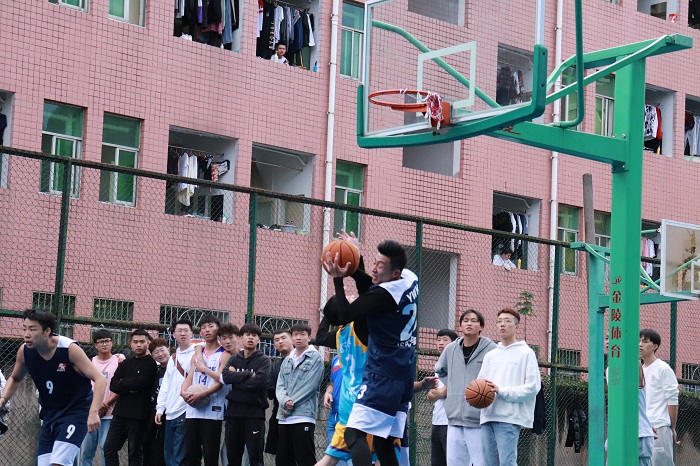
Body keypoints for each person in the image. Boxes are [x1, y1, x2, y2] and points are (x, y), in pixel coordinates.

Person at [323, 233, 419, 466]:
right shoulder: (410, 278)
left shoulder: (384, 295)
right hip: (404, 372)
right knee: (384, 442)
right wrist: (356, 259)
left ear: (394, 273)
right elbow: (371, 288)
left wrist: (338, 279)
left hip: (382, 374)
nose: (375, 269)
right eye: (374, 262)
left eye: (381, 266)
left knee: (353, 434)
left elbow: (346, 314)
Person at [0, 309, 106, 466]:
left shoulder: (69, 349)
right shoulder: (25, 351)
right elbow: (15, 378)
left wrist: (93, 412)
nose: (27, 334)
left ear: (47, 331)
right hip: (50, 416)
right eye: (24, 329)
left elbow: (100, 379)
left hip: (76, 413)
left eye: (32, 329)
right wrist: (3, 399)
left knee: (58, 463)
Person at [477, 308, 540, 466]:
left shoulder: (526, 353)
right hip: (487, 416)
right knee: (489, 464)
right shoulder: (490, 355)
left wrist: (502, 391)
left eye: (507, 321)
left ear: (517, 326)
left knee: (507, 463)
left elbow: (533, 387)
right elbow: (480, 384)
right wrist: (475, 395)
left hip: (509, 417)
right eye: (499, 321)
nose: (502, 324)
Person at [435, 310, 496, 466]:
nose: (469, 323)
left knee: (481, 462)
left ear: (481, 327)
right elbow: (440, 370)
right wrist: (454, 386)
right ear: (461, 325)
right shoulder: (451, 349)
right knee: (454, 462)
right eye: (466, 320)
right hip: (454, 417)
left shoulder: (491, 349)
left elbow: (498, 374)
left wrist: (485, 391)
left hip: (479, 418)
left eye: (474, 321)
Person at [104, 329, 158, 466]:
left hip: (139, 416)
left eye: (142, 342)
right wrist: (130, 387)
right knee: (109, 448)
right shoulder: (126, 363)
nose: (138, 345)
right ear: (130, 343)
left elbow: (142, 383)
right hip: (119, 414)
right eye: (135, 342)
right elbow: (113, 385)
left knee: (135, 453)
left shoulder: (151, 363)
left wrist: (123, 383)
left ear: (148, 343)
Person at [181, 315, 230, 466]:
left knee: (210, 455)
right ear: (200, 332)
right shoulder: (196, 355)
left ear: (218, 329)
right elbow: (189, 377)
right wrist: (183, 392)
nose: (207, 330)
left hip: (212, 411)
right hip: (193, 410)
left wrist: (202, 394)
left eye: (211, 326)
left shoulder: (224, 354)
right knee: (191, 454)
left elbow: (220, 382)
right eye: (203, 327)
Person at [220, 323, 271, 466]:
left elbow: (258, 383)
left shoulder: (264, 360)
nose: (251, 338)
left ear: (258, 340)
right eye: (247, 335)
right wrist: (248, 374)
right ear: (241, 338)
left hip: (254, 415)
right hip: (233, 414)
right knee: (233, 458)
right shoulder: (234, 358)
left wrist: (236, 378)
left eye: (254, 335)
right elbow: (226, 377)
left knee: (255, 458)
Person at [275, 322, 324, 466]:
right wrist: (285, 401)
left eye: (302, 334)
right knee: (283, 460)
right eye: (295, 334)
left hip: (303, 415)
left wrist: (291, 402)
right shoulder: (287, 359)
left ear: (309, 337)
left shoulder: (316, 358)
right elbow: (280, 385)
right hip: (284, 417)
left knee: (305, 459)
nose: (298, 337)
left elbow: (310, 386)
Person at [79, 329, 125, 466]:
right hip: (91, 414)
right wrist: (95, 407)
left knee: (107, 449)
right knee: (86, 452)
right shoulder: (90, 363)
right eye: (101, 342)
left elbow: (121, 387)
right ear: (95, 345)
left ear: (112, 343)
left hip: (110, 414)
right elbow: (85, 387)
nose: (104, 344)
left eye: (107, 341)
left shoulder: (119, 362)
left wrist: (105, 404)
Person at [155, 319, 196, 466]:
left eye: (186, 330)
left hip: (186, 411)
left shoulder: (197, 354)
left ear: (192, 333)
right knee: (169, 455)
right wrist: (160, 408)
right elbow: (165, 385)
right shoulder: (173, 358)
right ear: (173, 334)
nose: (183, 333)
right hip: (170, 412)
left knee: (179, 457)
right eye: (179, 331)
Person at [640, 328, 680, 466]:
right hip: (642, 429)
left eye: (645, 341)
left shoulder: (663, 368)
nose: (640, 344)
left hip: (659, 428)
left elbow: (673, 400)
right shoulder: (639, 370)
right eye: (639, 341)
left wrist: (671, 428)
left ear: (655, 346)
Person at [427, 328, 458, 466]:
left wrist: (438, 393)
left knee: (451, 461)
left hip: (450, 422)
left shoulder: (456, 363)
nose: (440, 343)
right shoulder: (438, 365)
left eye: (445, 340)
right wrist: (438, 393)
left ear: (454, 343)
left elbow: (446, 391)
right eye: (438, 340)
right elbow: (429, 395)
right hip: (437, 421)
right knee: (437, 462)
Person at [266, 328, 294, 458]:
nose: (280, 341)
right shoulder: (275, 365)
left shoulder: (303, 360)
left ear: (292, 339)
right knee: (279, 454)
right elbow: (270, 390)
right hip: (278, 412)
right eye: (277, 340)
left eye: (283, 338)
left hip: (299, 413)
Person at [143, 338, 170, 466]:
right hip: (154, 412)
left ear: (168, 349)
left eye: (162, 350)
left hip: (170, 413)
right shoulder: (156, 370)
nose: (160, 354)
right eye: (156, 352)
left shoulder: (176, 368)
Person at [323, 355, 342, 448]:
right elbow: (332, 384)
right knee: (332, 453)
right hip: (333, 414)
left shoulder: (359, 356)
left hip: (350, 414)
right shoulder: (335, 359)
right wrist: (327, 393)